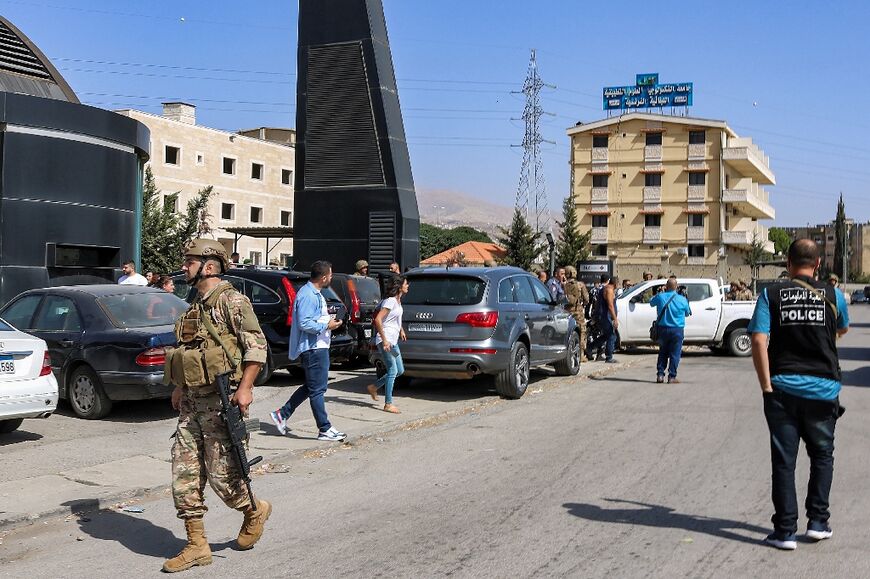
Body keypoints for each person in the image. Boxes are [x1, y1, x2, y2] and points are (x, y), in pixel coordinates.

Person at [161, 239, 270, 572]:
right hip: (192, 405)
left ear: (208, 266)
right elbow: (189, 349)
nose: (184, 266)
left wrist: (247, 388)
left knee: (225, 480)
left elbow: (257, 347)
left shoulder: (233, 302)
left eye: (189, 261)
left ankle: (254, 510)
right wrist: (180, 386)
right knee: (184, 475)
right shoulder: (195, 304)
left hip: (222, 404)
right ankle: (197, 545)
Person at [749, 239, 849, 551]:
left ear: (788, 263)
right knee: (822, 455)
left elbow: (757, 340)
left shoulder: (770, 293)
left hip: (782, 389)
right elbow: (842, 328)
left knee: (784, 461)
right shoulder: (834, 295)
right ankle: (818, 522)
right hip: (823, 389)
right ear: (818, 264)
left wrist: (766, 387)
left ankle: (785, 531)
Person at [270, 261, 347, 442]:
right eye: (330, 275)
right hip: (313, 348)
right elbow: (305, 323)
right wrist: (326, 325)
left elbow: (312, 318)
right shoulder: (308, 295)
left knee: (313, 387)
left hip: (318, 346)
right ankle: (324, 428)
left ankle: (282, 413)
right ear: (324, 277)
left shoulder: (314, 293)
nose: (331, 277)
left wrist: (330, 321)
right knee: (317, 390)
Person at [366, 275, 408, 413]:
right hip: (386, 341)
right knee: (392, 370)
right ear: (400, 286)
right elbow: (378, 320)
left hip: (393, 341)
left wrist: (401, 329)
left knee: (399, 370)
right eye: (406, 284)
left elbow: (393, 318)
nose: (408, 286)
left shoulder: (397, 301)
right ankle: (388, 404)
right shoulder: (390, 301)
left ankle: (374, 387)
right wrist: (384, 340)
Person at [649, 277, 692, 383]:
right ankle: (672, 376)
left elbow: (651, 303)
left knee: (662, 352)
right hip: (677, 330)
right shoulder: (682, 299)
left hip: (663, 329)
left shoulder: (660, 297)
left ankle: (660, 375)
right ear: (676, 287)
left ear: (666, 286)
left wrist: (660, 292)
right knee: (675, 353)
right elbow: (687, 313)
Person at [586, 275, 619, 363]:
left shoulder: (605, 289)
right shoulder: (609, 290)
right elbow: (610, 305)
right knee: (612, 335)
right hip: (604, 316)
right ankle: (609, 357)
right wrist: (615, 319)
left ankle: (589, 348)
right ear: (616, 284)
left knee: (606, 336)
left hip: (603, 315)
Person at [563, 266, 590, 362]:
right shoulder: (580, 285)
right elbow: (586, 299)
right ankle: (581, 355)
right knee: (581, 332)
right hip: (578, 311)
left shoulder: (564, 284)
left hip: (565, 311)